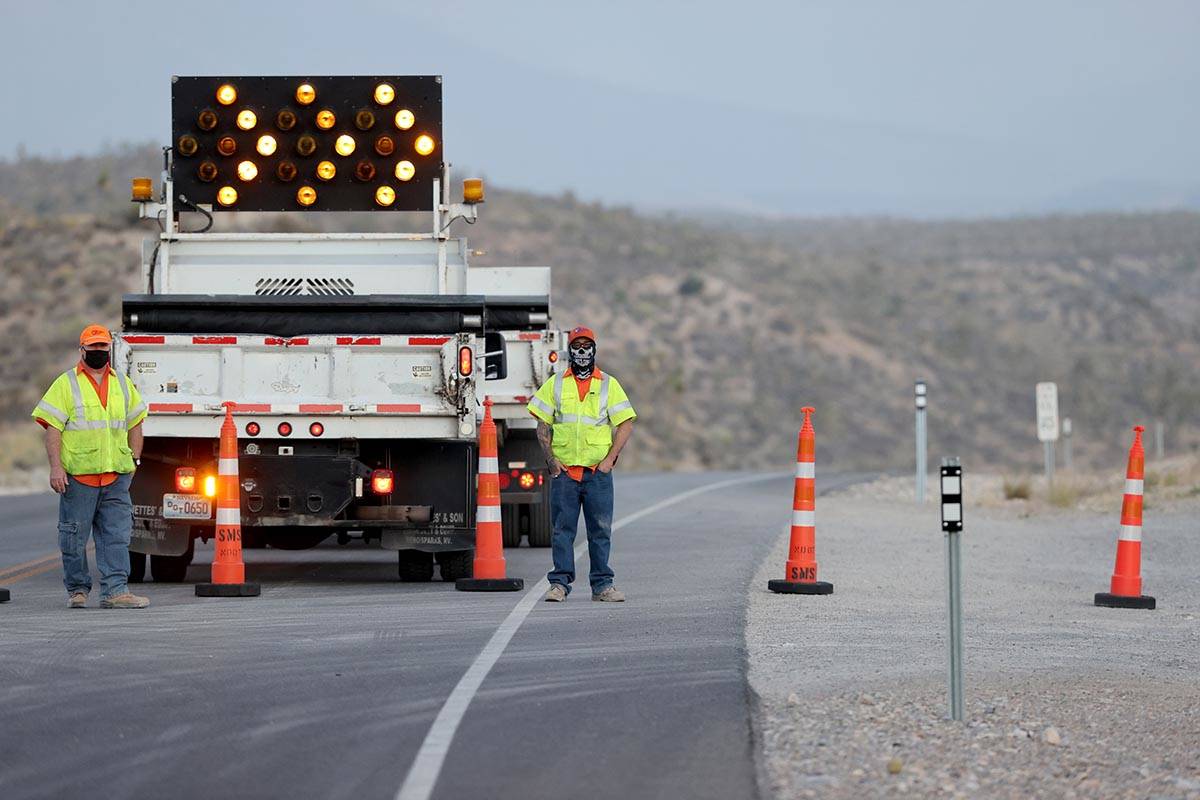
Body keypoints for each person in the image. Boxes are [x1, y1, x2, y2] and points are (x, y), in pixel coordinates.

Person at [32, 325, 150, 609]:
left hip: (115, 478)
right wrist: (56, 468)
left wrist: (134, 460)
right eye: (93, 347)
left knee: (117, 537)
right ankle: (77, 590)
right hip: (78, 479)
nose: (99, 352)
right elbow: (52, 428)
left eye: (103, 347)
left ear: (109, 349)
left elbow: (136, 422)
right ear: (82, 350)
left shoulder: (122, 383)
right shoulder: (65, 384)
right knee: (73, 538)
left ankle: (115, 591)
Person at [527, 326, 636, 602]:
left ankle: (602, 586)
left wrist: (610, 460)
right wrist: (551, 461)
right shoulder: (557, 383)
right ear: (570, 351)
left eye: (587, 345)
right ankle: (559, 584)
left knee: (600, 530)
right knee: (562, 531)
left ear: (594, 349)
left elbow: (625, 423)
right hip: (565, 475)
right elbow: (542, 423)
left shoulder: (608, 385)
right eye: (577, 346)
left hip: (597, 474)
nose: (583, 351)